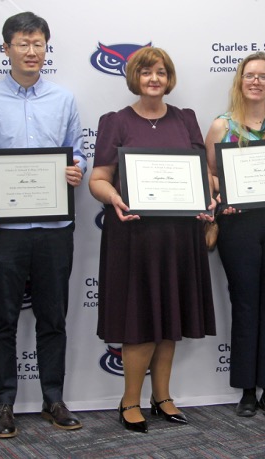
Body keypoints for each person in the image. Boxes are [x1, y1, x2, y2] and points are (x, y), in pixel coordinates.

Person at [0, 12, 86, 438]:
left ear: (46, 48)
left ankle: (54, 398)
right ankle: (3, 403)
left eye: (39, 44)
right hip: (4, 231)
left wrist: (76, 170)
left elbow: (78, 153)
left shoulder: (64, 99)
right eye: (23, 43)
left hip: (54, 228)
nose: (32, 51)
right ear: (6, 48)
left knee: (53, 318)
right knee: (3, 319)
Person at [89, 47, 216, 434]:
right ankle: (130, 400)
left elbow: (203, 175)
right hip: (134, 236)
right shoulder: (115, 121)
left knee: (168, 318)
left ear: (169, 77)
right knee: (139, 321)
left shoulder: (186, 119)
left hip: (178, 236)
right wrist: (114, 198)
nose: (154, 79)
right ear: (134, 78)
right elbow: (98, 179)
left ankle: (162, 397)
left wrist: (210, 195)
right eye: (146, 72)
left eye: (161, 72)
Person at [205, 52, 265, 418]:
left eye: (263, 76)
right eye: (250, 75)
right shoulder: (221, 126)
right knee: (244, 303)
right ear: (240, 80)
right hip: (238, 225)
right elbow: (211, 174)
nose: (256, 81)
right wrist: (223, 193)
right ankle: (247, 389)